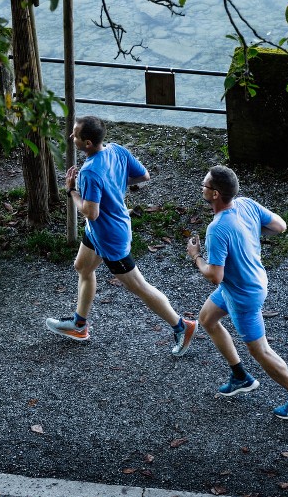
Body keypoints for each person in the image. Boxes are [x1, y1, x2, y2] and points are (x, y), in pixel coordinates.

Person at [45, 116, 196, 356]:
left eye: (75, 135)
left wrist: (72, 191)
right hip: (97, 232)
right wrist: (115, 186)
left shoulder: (90, 172)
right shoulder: (116, 150)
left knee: (139, 286)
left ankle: (182, 326)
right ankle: (79, 325)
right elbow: (143, 176)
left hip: (110, 236)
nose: (71, 137)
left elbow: (91, 212)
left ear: (87, 143)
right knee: (82, 267)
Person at [186, 165, 288, 420]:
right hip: (248, 282)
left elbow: (214, 275)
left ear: (214, 194)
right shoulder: (246, 204)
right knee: (207, 319)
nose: (201, 187)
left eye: (204, 185)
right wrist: (250, 233)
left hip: (242, 295)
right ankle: (240, 376)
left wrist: (196, 256)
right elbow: (280, 226)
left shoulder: (216, 229)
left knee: (261, 351)